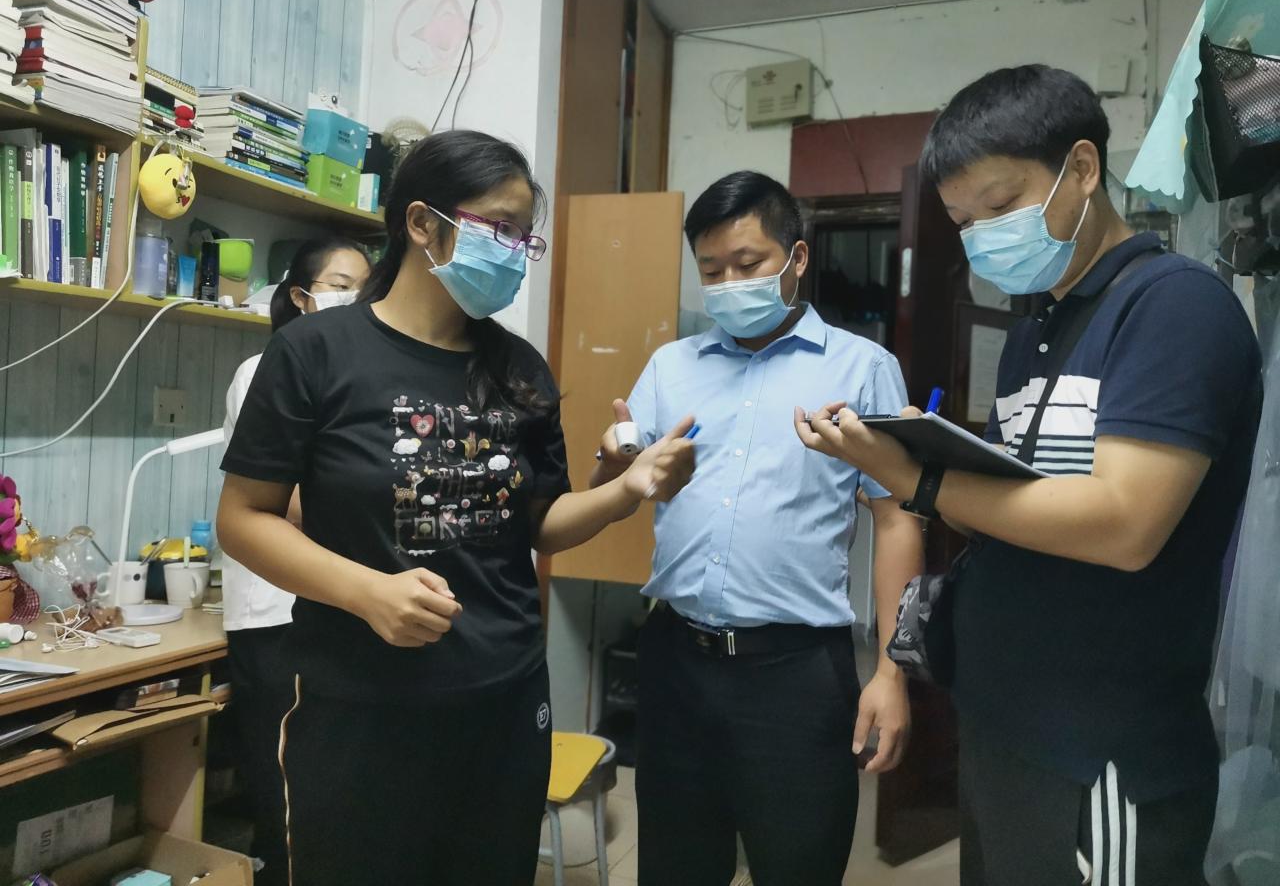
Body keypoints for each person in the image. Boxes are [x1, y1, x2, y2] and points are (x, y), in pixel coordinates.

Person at [795, 65, 1262, 886]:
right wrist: (920, 456)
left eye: (1001, 205)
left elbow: (1124, 525)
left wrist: (918, 482)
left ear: (1081, 168)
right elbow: (997, 511)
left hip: (1102, 749)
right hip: (1003, 727)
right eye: (962, 222)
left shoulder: (1172, 307)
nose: (982, 236)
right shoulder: (1034, 327)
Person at [216, 130, 698, 885]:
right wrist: (368, 592)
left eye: (523, 236)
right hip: (361, 706)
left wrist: (623, 492)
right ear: (421, 223)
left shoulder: (519, 369)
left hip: (503, 700)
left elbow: (541, 525)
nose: (514, 252)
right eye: (498, 228)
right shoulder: (314, 352)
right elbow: (243, 518)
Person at [592, 171, 925, 886]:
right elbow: (612, 487)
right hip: (676, 660)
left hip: (795, 674)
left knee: (797, 866)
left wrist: (892, 671)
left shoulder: (862, 369)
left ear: (796, 258)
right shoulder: (671, 366)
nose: (728, 284)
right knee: (675, 867)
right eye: (711, 270)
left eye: (748, 264)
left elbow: (897, 519)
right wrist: (613, 463)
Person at [219, 237, 371, 886]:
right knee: (285, 795)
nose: (356, 298)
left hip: (338, 606)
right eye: (341, 284)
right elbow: (292, 505)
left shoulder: (358, 373)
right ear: (301, 297)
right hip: (275, 612)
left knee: (333, 798)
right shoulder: (265, 370)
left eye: (367, 286)